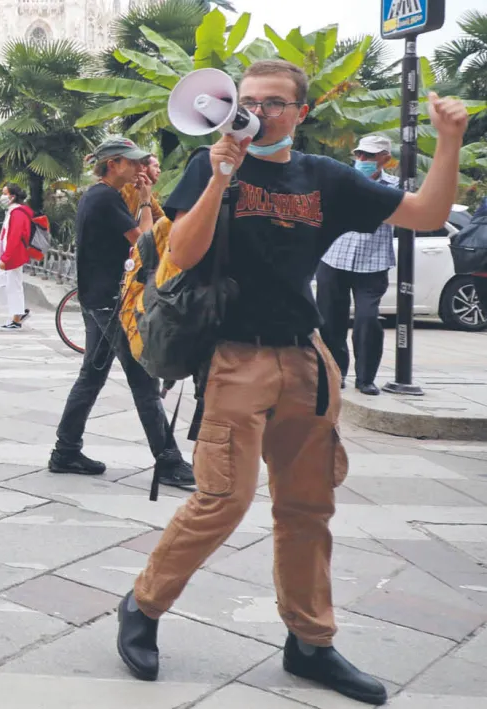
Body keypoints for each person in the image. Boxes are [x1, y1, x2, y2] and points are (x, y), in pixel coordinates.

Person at [117, 60, 468, 706]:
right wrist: (222, 173)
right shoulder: (210, 163)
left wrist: (449, 141)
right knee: (221, 498)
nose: (257, 113)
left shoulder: (324, 178)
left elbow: (425, 212)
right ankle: (142, 606)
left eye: (273, 103)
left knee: (309, 506)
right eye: (246, 101)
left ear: (300, 113)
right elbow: (182, 253)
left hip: (306, 360)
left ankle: (310, 641)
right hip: (233, 358)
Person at [48, 137, 194, 489]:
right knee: (144, 380)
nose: (139, 168)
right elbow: (145, 241)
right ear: (113, 164)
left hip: (99, 298)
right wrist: (145, 202)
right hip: (111, 303)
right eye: (132, 163)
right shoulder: (103, 197)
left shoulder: (104, 196)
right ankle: (169, 461)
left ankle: (65, 451)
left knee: (92, 377)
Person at [316, 135, 401, 396]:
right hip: (334, 258)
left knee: (367, 320)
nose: (363, 160)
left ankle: (366, 379)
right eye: (360, 155)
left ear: (385, 159)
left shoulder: (395, 187)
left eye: (370, 156)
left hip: (373, 264)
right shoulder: (341, 181)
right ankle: (335, 372)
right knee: (330, 321)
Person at [0, 184, 36, 329]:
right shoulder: (12, 211)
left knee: (12, 285)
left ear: (12, 197)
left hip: (14, 255)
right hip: (9, 255)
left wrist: (6, 258)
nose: (2, 196)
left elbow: (14, 237)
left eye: (4, 193)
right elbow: (4, 236)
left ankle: (17, 316)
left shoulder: (18, 213)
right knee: (2, 284)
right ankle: (18, 311)